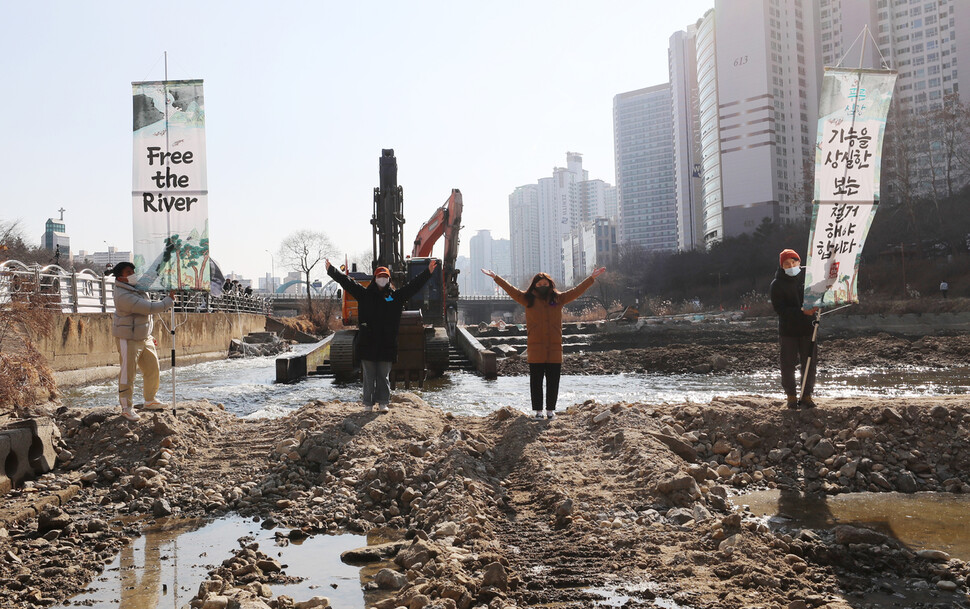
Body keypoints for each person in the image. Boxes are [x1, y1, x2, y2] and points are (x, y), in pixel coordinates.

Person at [482, 267, 607, 420]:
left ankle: (550, 410)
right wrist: (496, 277)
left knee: (553, 381)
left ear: (550, 284)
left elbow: (576, 291)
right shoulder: (527, 299)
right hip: (535, 347)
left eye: (545, 284)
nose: (542, 286)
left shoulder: (558, 298)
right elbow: (511, 290)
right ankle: (538, 412)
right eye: (539, 284)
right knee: (536, 382)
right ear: (534, 285)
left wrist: (591, 278)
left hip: (554, 347)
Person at [325, 259, 437, 413]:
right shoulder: (364, 295)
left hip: (387, 344)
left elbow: (413, 286)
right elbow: (347, 282)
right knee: (369, 376)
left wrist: (428, 272)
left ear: (389, 279)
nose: (382, 279)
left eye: (385, 276)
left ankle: (383, 402)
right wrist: (332, 270)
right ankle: (368, 404)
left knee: (383, 376)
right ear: (375, 278)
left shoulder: (396, 297)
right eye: (379, 276)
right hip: (367, 343)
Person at [109, 262, 175, 421]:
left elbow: (152, 273)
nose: (133, 274)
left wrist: (166, 255)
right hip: (128, 338)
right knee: (128, 373)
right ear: (120, 277)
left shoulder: (135, 287)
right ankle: (126, 407)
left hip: (144, 337)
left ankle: (150, 399)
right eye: (128, 272)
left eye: (133, 271)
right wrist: (169, 300)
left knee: (153, 368)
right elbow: (149, 308)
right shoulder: (123, 295)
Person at [770, 249, 819, 409]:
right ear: (782, 266)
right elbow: (780, 310)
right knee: (788, 364)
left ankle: (807, 395)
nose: (791, 266)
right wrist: (801, 311)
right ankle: (791, 395)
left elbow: (820, 294)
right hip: (788, 331)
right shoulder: (776, 284)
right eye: (787, 263)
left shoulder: (810, 277)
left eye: (793, 262)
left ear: (799, 262)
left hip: (809, 328)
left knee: (810, 363)